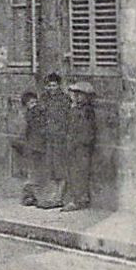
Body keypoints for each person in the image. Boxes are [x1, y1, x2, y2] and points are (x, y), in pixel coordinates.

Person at [60, 81, 97, 212]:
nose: (77, 97)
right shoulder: (75, 109)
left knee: (80, 173)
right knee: (73, 172)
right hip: (74, 145)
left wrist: (78, 142)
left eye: (80, 95)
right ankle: (76, 198)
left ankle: (79, 199)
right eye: (76, 94)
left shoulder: (86, 111)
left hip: (81, 147)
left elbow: (86, 131)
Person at [35, 72, 68, 209]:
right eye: (49, 86)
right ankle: (53, 196)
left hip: (61, 138)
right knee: (51, 167)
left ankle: (59, 196)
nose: (52, 88)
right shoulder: (44, 100)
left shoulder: (64, 100)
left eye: (54, 85)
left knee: (61, 168)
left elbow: (67, 119)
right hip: (49, 138)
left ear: (59, 86)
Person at [12, 90, 45, 206]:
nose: (34, 105)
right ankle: (28, 196)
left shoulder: (38, 115)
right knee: (31, 173)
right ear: (26, 105)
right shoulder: (27, 116)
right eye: (31, 103)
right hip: (29, 147)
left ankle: (31, 196)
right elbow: (22, 133)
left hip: (36, 147)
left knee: (35, 173)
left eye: (35, 102)